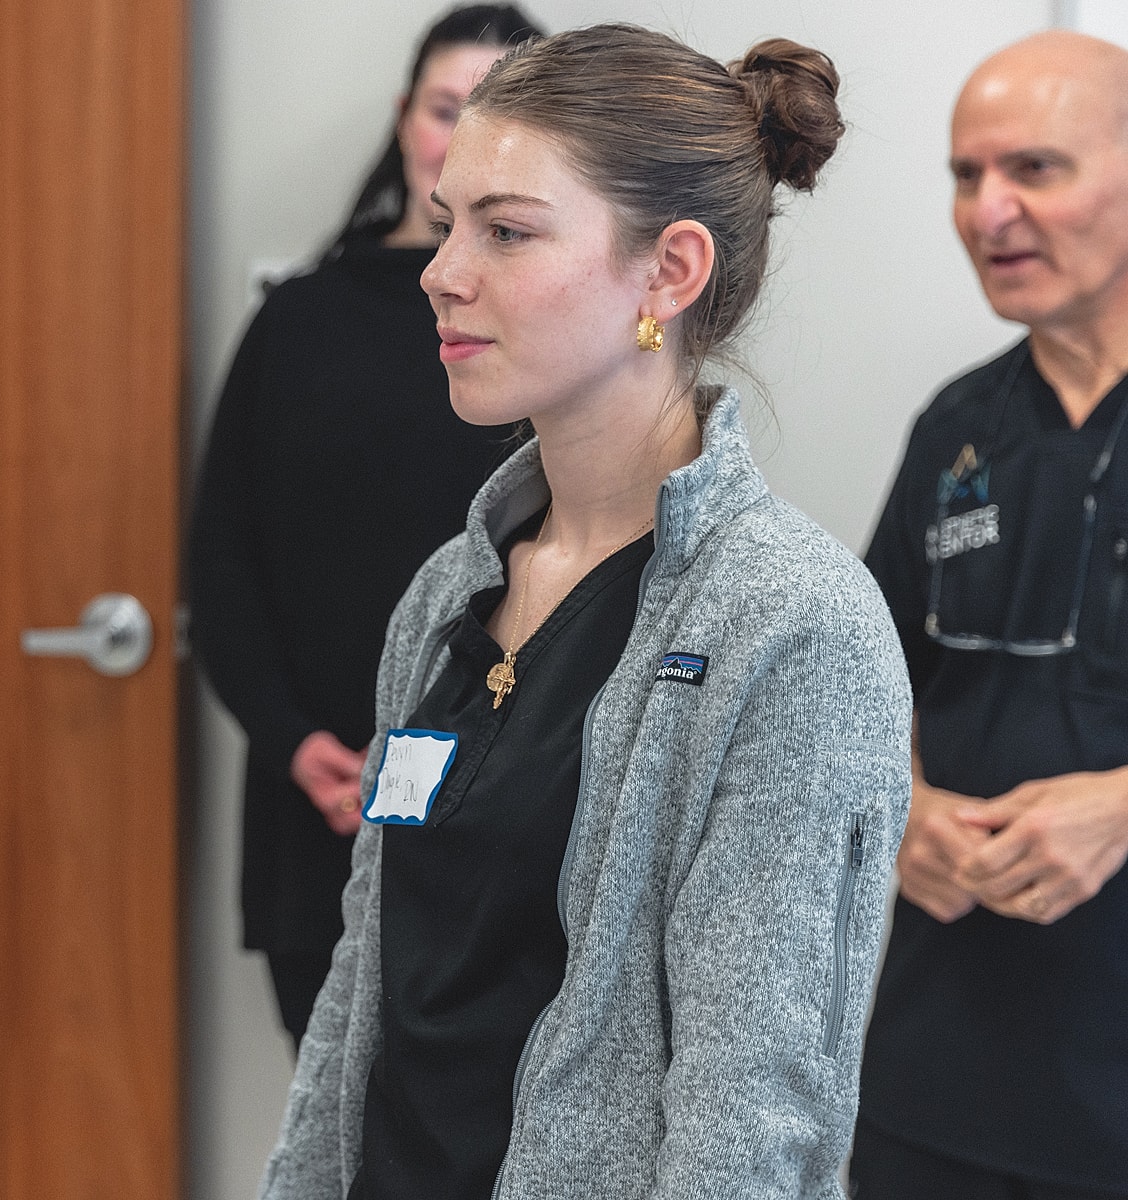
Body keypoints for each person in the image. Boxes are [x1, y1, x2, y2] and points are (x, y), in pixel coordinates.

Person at [259, 25, 912, 1200]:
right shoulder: (446, 594)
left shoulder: (793, 627)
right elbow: (359, 999)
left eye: (504, 231)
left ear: (669, 270)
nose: (442, 270)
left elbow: (753, 1114)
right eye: (449, 219)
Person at [188, 2, 541, 1050]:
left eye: (500, 114)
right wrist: (298, 747)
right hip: (315, 810)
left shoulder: (556, 335)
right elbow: (221, 562)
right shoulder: (299, 318)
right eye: (447, 108)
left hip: (504, 822)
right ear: (404, 119)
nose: (464, 139)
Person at [854, 32, 1128, 1200]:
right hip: (941, 1080)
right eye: (966, 177)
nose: (988, 211)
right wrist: (898, 809)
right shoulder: (956, 428)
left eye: (1034, 169)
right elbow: (858, 685)